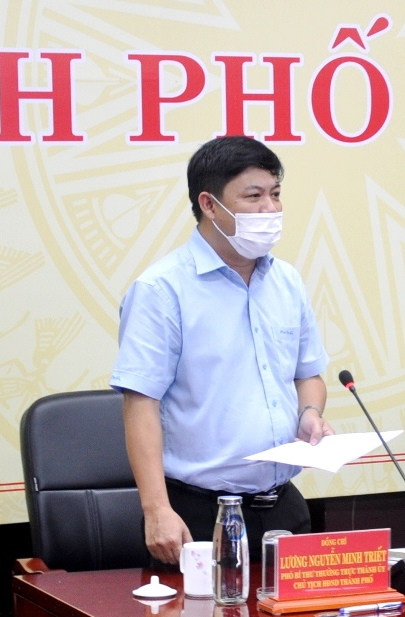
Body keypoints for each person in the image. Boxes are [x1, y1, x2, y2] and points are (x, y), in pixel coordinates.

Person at [110, 136, 333, 566]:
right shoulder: (161, 290)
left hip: (284, 508)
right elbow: (141, 403)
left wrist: (309, 413)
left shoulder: (286, 281)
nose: (271, 209)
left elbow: (308, 374)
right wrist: (156, 511)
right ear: (209, 204)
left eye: (275, 194)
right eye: (253, 196)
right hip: (200, 514)